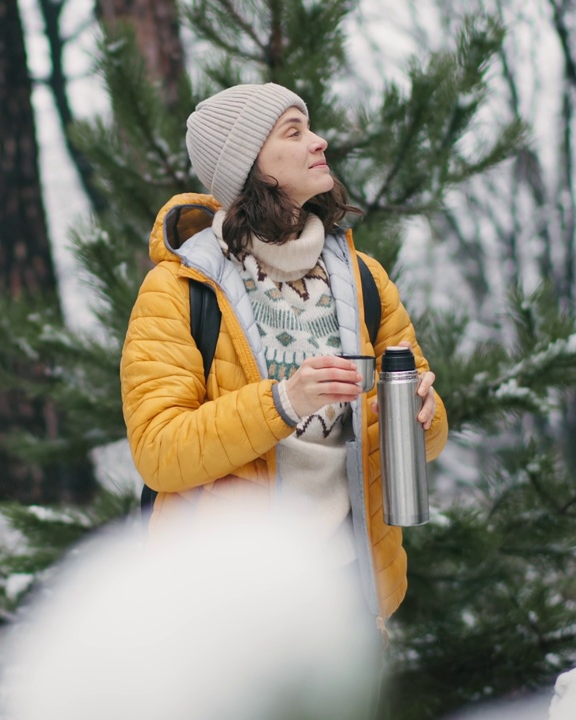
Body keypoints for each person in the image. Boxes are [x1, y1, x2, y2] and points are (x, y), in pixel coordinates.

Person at [120, 83, 449, 625]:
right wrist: (283, 402)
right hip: (227, 603)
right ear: (250, 166)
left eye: (310, 127)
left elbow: (427, 441)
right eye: (293, 132)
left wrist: (422, 415)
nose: (318, 142)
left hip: (351, 590)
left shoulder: (365, 278)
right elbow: (159, 452)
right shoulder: (179, 290)